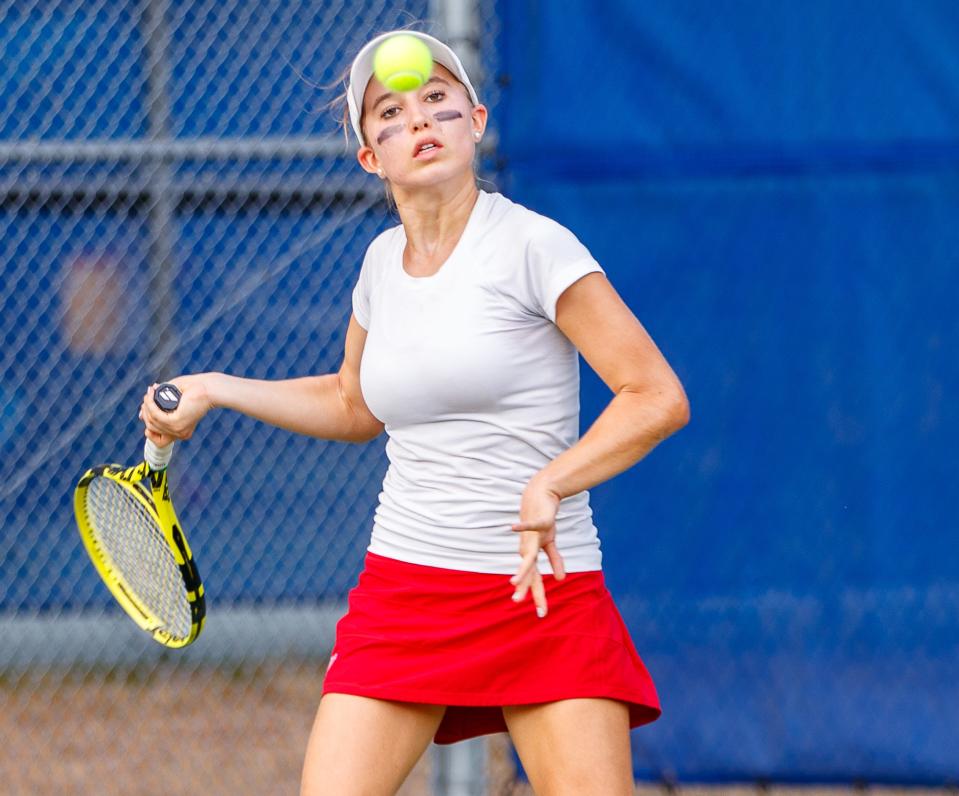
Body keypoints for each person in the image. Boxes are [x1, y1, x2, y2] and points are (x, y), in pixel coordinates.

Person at [140, 28, 690, 796]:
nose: (421, 121)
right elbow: (352, 401)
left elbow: (655, 395)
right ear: (371, 157)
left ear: (476, 121)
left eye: (438, 100)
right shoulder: (377, 266)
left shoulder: (536, 246)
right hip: (404, 592)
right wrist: (217, 386)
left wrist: (551, 483)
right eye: (391, 114)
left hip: (539, 589)